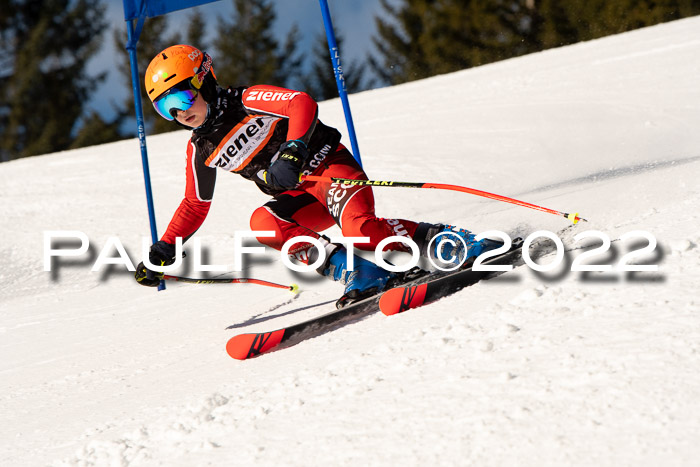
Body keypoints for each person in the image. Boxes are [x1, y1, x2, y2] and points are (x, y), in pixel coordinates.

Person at [134, 44, 499, 307]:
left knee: (361, 231)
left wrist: (294, 150)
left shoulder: (245, 99)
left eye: (181, 97)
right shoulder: (200, 149)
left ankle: (450, 241)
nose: (179, 113)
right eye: (165, 108)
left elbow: (300, 102)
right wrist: (166, 247)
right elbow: (195, 203)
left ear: (205, 80)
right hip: (305, 198)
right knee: (263, 223)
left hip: (331, 170)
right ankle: (361, 272)